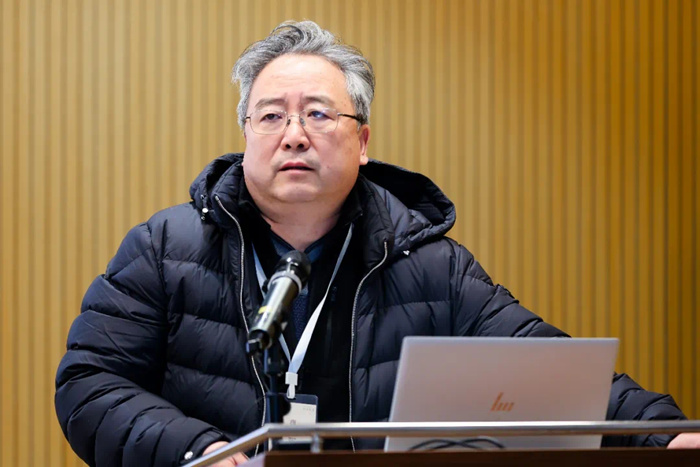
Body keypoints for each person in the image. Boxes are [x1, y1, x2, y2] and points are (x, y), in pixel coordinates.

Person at [55, 20, 699, 467]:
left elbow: (547, 371)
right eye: (271, 115)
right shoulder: (164, 247)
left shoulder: (432, 265)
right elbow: (91, 382)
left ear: (362, 142)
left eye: (318, 113)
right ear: (245, 134)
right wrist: (202, 452)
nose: (294, 134)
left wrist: (658, 437)